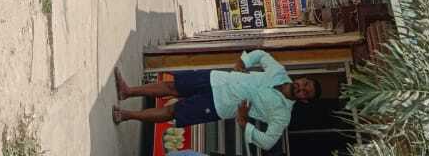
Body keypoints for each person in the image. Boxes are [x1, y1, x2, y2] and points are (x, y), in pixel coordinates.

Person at [112, 53, 321, 150]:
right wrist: (243, 62)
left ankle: (127, 116)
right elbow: (261, 55)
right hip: (218, 79)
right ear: (303, 78)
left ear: (304, 100)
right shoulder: (279, 72)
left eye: (306, 92)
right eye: (305, 84)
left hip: (219, 105)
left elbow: (267, 142)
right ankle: (127, 91)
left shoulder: (283, 116)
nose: (301, 88)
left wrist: (245, 124)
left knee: (173, 112)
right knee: (172, 86)